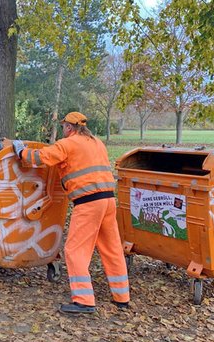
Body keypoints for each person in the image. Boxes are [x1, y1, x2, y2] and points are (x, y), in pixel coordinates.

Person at [12, 111, 130, 314]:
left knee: (74, 250)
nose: (62, 130)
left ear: (69, 127)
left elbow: (42, 158)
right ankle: (121, 297)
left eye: (63, 127)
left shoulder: (68, 144)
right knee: (111, 248)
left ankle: (84, 300)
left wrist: (21, 151)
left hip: (88, 202)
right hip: (108, 200)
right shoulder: (96, 142)